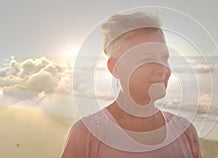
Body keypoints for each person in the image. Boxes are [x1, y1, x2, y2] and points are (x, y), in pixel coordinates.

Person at [61, 12, 201, 158]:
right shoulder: (87, 134)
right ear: (115, 67)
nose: (162, 69)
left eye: (164, 58)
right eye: (147, 58)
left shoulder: (185, 131)